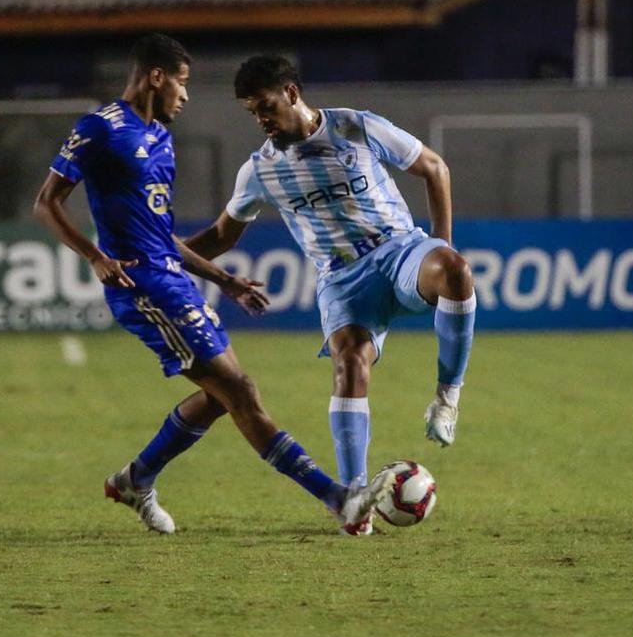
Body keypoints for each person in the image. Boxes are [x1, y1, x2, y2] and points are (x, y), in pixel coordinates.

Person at [32, 35, 393, 536]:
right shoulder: (101, 129)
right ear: (157, 76)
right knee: (240, 391)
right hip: (141, 284)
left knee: (222, 396)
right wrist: (95, 256)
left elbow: (162, 237)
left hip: (171, 279)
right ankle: (338, 500)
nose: (186, 95)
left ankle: (137, 479)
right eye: (183, 83)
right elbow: (46, 203)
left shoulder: (160, 138)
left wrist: (224, 278)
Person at [185, 55, 476, 491]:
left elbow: (434, 168)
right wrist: (159, 254)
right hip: (343, 279)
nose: (261, 119)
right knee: (350, 366)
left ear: (291, 94)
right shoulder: (260, 169)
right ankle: (354, 497)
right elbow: (221, 236)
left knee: (454, 269)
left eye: (266, 106)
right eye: (253, 113)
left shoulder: (356, 127)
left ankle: (447, 399)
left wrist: (441, 242)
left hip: (399, 251)